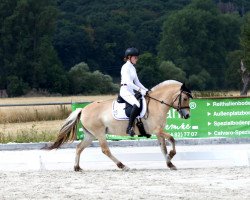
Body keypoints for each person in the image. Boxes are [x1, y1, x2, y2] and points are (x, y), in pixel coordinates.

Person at [120, 47, 148, 136]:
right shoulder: (125, 67)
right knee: (137, 104)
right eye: (135, 57)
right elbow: (128, 82)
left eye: (137, 57)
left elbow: (137, 82)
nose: (137, 59)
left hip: (131, 91)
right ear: (129, 57)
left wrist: (147, 90)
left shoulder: (132, 68)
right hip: (125, 90)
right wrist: (140, 90)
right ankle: (129, 128)